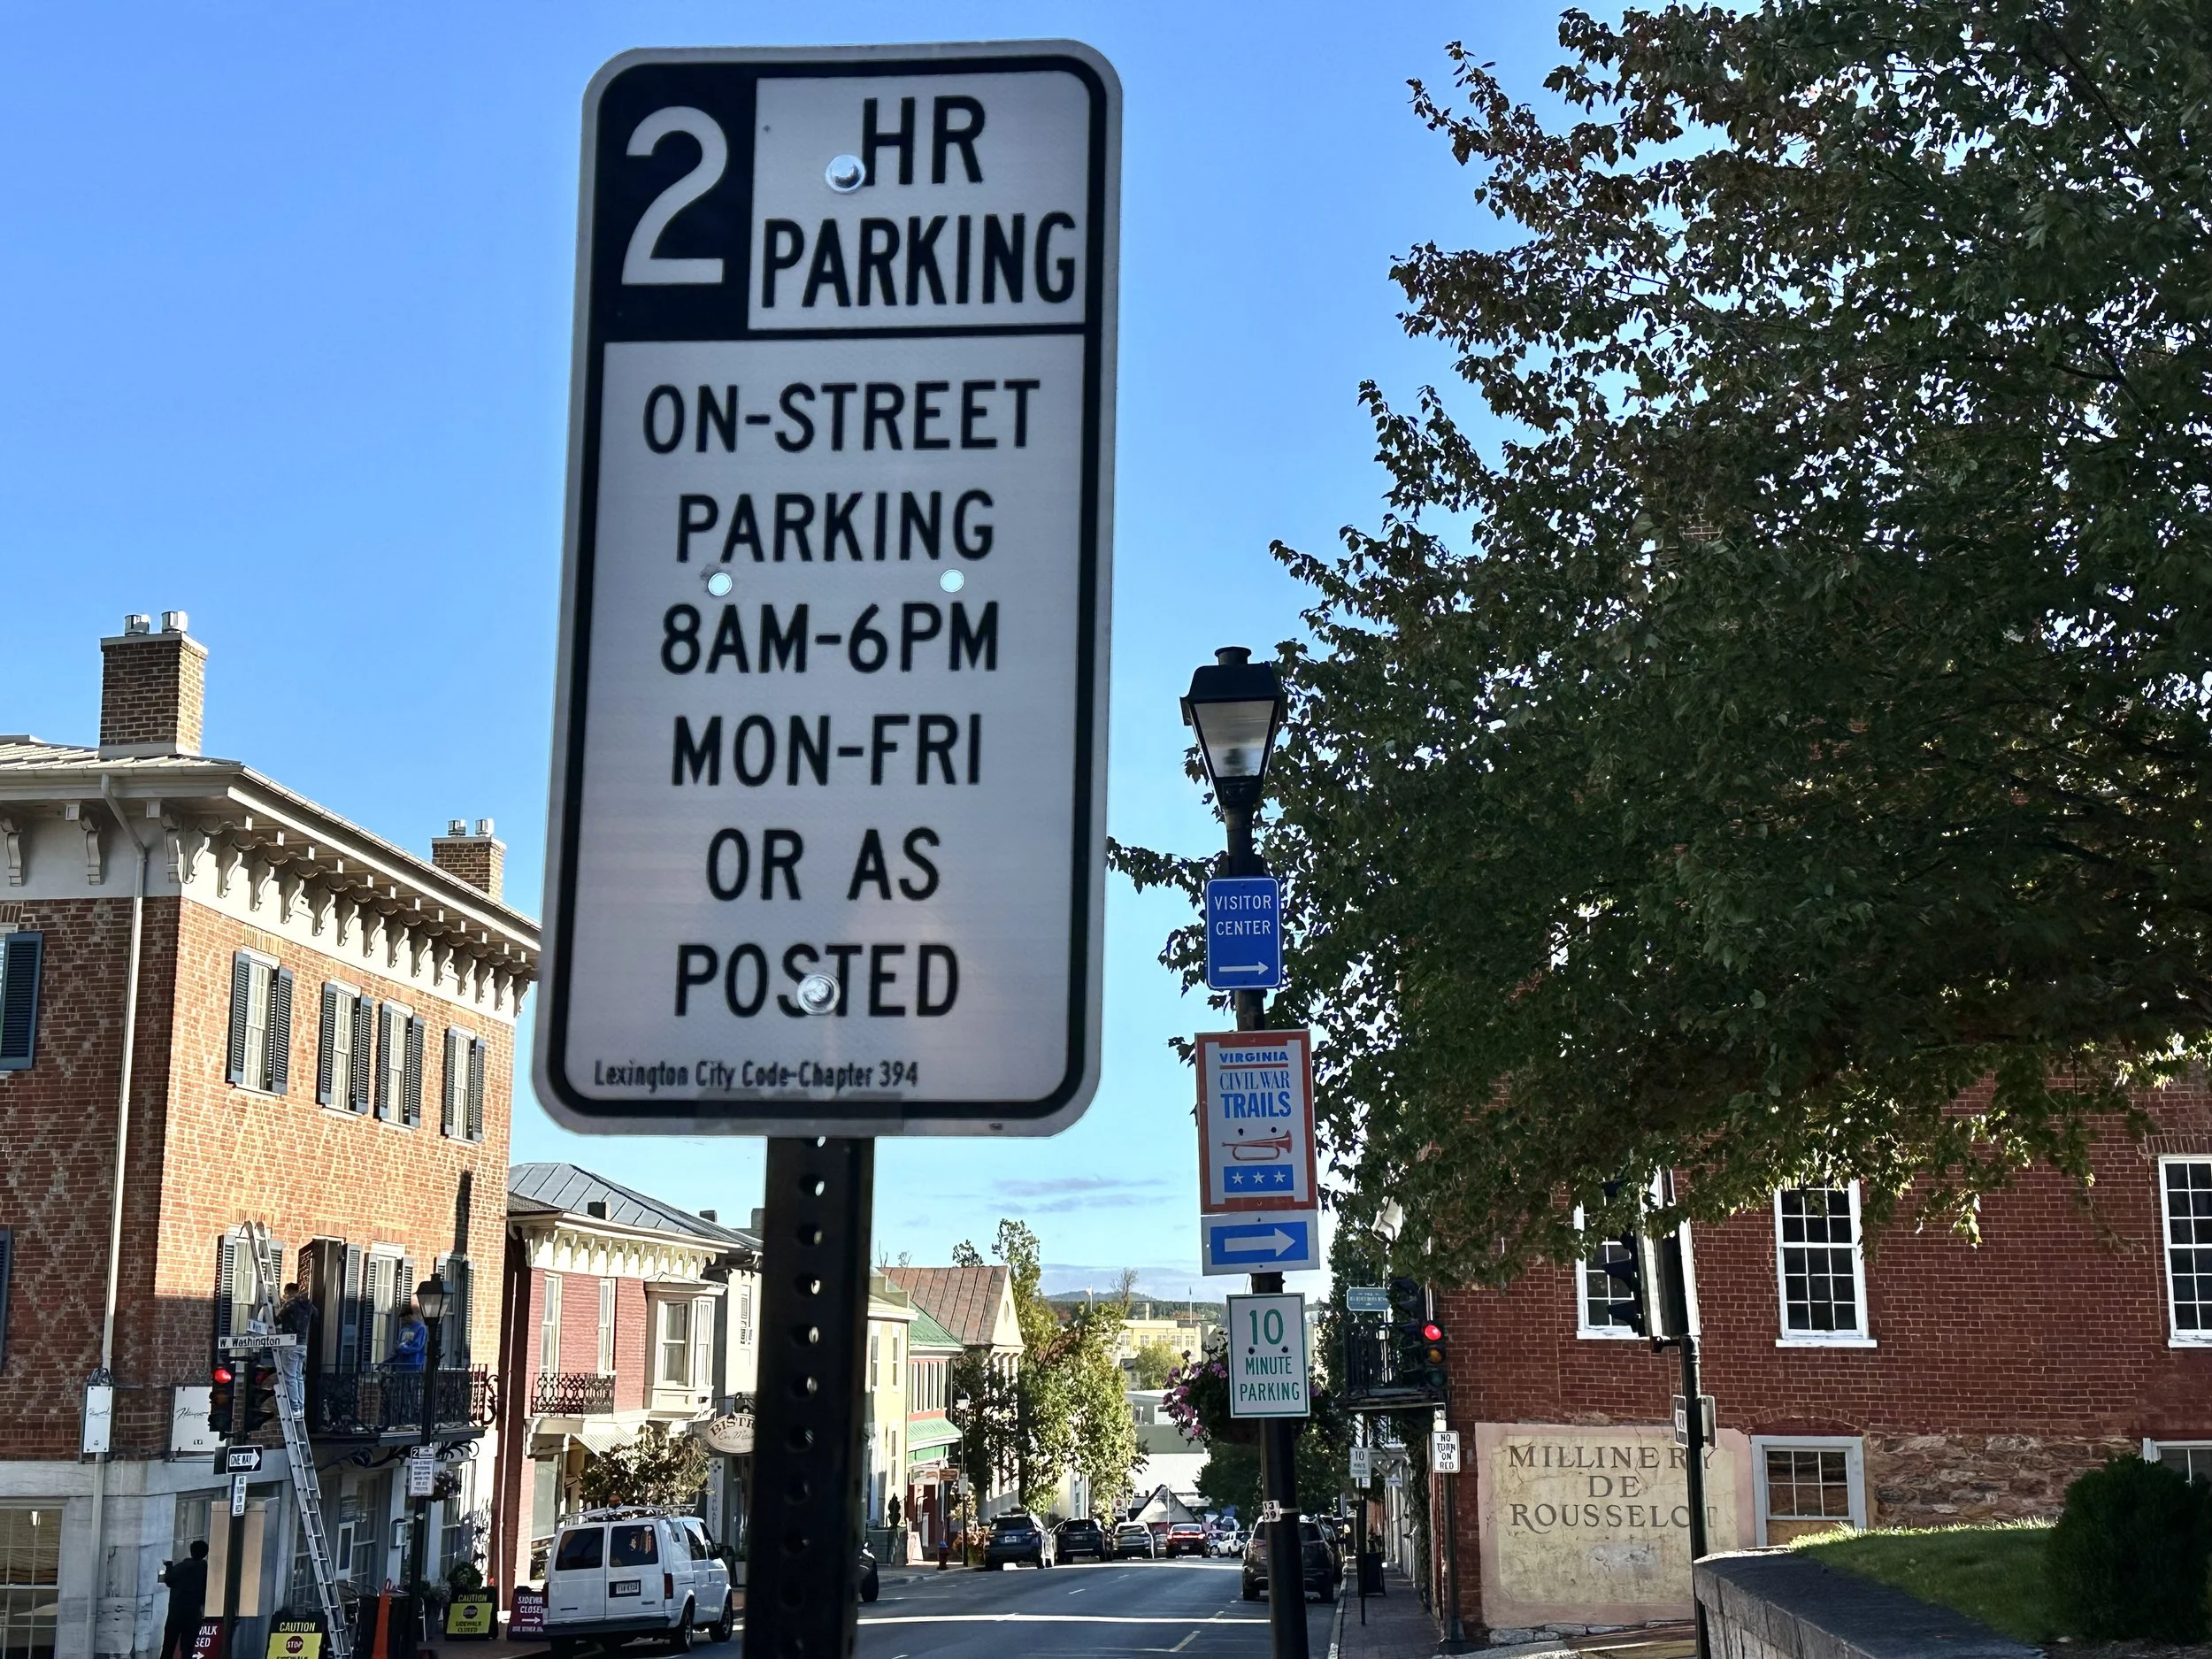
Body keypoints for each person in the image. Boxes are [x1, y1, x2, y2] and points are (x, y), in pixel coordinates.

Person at [158, 1541, 209, 1659]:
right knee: (187, 1649)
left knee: (168, 1646)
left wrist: (169, 1566)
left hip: (176, 1612)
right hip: (193, 1613)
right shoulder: (203, 1567)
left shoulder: (182, 1567)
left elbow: (169, 1580)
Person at [275, 1282, 316, 1412]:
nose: (284, 1296)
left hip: (290, 1343)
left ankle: (295, 1407)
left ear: (288, 1292)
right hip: (303, 1345)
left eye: (285, 1293)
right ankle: (300, 1406)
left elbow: (277, 1320)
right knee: (298, 1377)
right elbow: (317, 1317)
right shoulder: (308, 1304)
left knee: (290, 1377)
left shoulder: (290, 1304)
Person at [388, 1303, 426, 1372]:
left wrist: (402, 1348)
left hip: (414, 1366)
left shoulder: (421, 1329)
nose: (402, 1320)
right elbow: (397, 1347)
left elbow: (417, 1346)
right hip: (400, 1367)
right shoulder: (403, 1330)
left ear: (409, 1316)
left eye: (403, 1318)